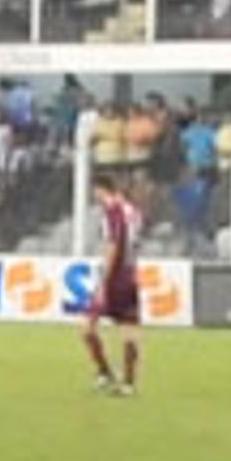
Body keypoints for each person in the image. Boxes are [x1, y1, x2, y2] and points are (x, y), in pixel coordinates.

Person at [82, 169, 142, 397]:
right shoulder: (132, 211)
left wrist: (103, 282)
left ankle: (105, 373)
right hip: (130, 272)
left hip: (115, 275)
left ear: (100, 189)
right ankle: (128, 383)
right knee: (129, 328)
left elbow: (113, 245)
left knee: (87, 328)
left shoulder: (113, 212)